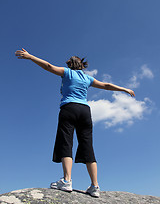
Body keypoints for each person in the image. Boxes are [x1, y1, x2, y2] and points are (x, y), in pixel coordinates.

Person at [15, 48, 135, 198]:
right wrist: (123, 89)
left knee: (66, 142)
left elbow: (48, 66)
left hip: (69, 108)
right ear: (82, 66)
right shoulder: (87, 79)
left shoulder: (67, 72)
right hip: (85, 111)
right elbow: (106, 85)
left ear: (69, 64)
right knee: (87, 146)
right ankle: (95, 186)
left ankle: (67, 181)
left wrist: (30, 56)